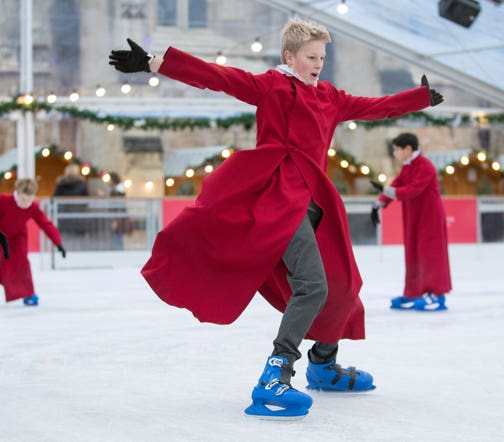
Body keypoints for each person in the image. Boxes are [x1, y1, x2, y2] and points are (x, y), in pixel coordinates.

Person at [109, 18, 443, 418]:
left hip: (314, 201)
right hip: (277, 200)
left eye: (322, 57)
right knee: (313, 287)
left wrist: (418, 98)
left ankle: (323, 365)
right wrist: (155, 62)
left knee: (343, 285)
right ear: (290, 57)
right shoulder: (272, 86)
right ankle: (274, 378)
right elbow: (220, 77)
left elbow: (374, 108)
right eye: (311, 57)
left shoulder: (330, 97)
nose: (319, 64)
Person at [371, 133, 452, 311]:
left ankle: (436, 295)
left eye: (396, 149)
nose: (394, 153)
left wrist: (388, 192)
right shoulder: (407, 166)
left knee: (430, 255)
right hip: (414, 217)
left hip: (429, 218)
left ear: (408, 149)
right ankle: (414, 292)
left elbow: (412, 190)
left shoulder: (425, 166)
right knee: (413, 253)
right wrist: (380, 202)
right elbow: (398, 184)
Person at [0, 178, 67, 306]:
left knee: (22, 263)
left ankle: (28, 294)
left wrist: (58, 243)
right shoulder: (4, 200)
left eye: (29, 199)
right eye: (23, 199)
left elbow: (45, 224)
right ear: (17, 193)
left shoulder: (32, 208)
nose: (26, 203)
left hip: (17, 238)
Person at [53, 163, 90, 250]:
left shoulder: (61, 185)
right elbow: (87, 201)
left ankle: (65, 258)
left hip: (63, 218)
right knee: (80, 243)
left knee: (66, 242)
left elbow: (54, 199)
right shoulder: (82, 185)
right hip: (78, 218)